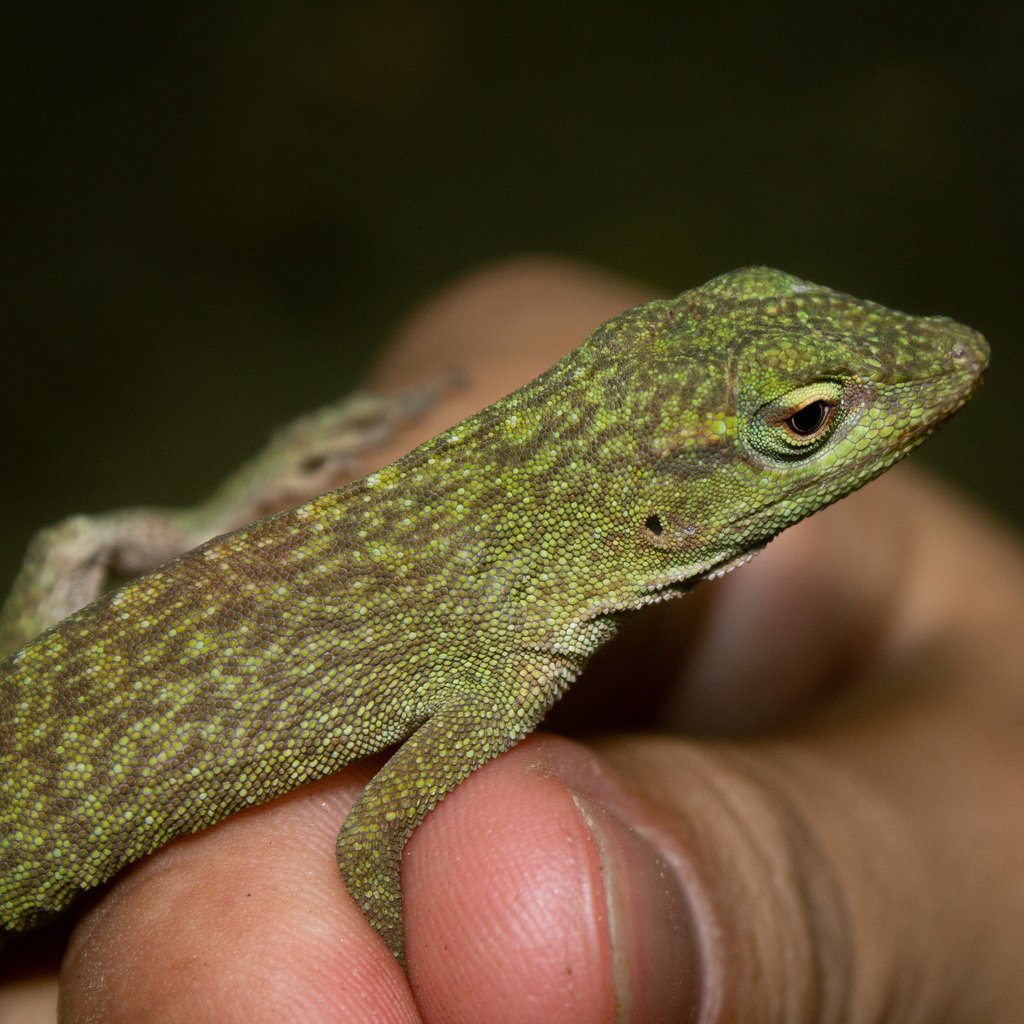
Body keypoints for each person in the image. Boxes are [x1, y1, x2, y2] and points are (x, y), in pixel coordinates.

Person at [12, 260, 1024, 1022]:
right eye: (805, 420)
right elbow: (367, 845)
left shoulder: (479, 572)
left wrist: (213, 518)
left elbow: (69, 549)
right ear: (659, 514)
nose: (948, 354)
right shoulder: (504, 654)